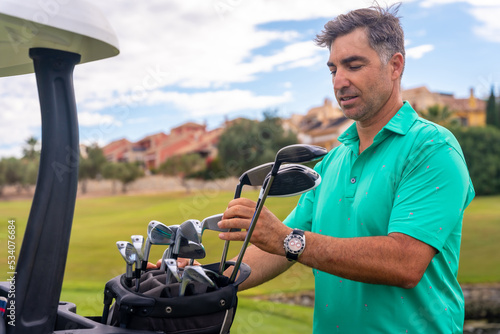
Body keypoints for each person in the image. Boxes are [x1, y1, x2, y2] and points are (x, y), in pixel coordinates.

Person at [217, 3, 475, 333]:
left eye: (353, 65)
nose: (339, 81)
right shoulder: (332, 161)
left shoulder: (432, 148)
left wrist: (288, 240)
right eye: (333, 69)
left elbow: (406, 261)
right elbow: (275, 252)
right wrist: (197, 281)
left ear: (395, 66)